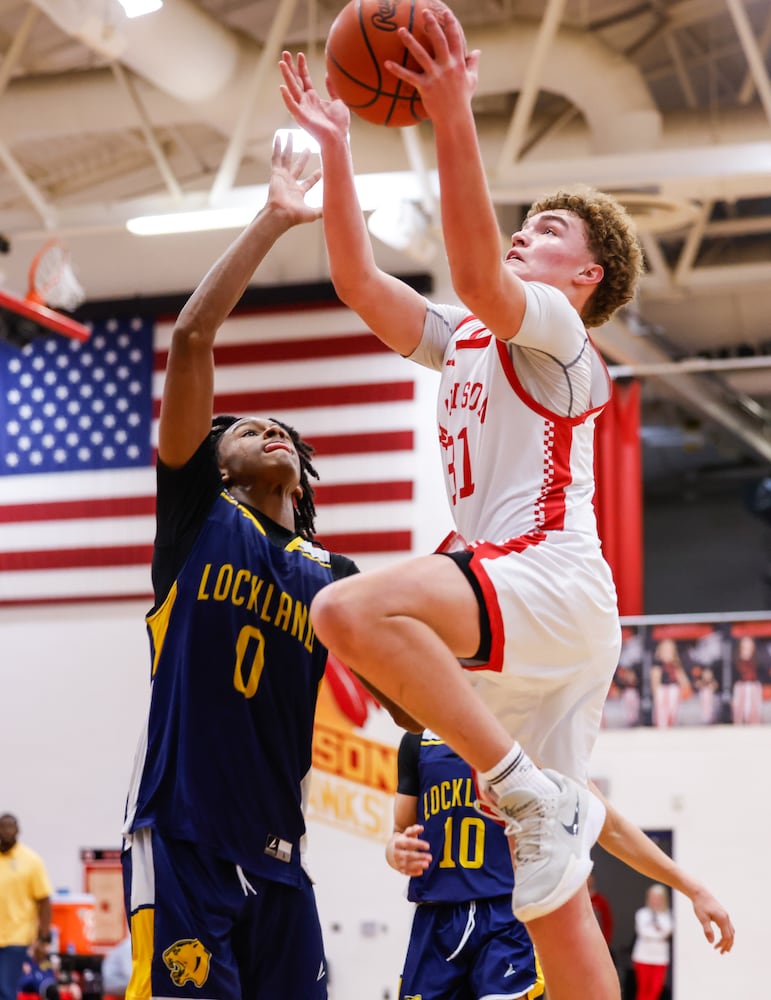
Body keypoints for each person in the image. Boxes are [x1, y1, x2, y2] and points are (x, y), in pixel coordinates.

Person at [279, 13, 645, 997]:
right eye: (528, 220)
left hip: (548, 577)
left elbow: (481, 269)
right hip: (550, 616)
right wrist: (338, 148)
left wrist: (452, 114)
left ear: (585, 276)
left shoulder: (562, 333)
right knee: (552, 895)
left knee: (347, 609)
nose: (528, 231)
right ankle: (537, 803)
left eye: (551, 231)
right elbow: (359, 280)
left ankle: (524, 787)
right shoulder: (467, 339)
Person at [119, 135, 407, 1000]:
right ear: (217, 466)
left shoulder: (335, 572)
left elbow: (406, 699)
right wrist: (276, 218)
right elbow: (193, 336)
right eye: (243, 430)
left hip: (280, 851)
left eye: (279, 427)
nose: (267, 429)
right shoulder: (199, 518)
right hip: (185, 836)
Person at [388, 730, 545, 1000]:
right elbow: (400, 830)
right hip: (437, 915)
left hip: (504, 910)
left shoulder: (517, 730)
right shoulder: (417, 740)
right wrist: (396, 852)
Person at [0, 813, 53, 1000]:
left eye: (9, 827)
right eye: (1, 827)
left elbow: (44, 901)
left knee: (4, 990)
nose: (4, 831)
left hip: (16, 939)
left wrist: (44, 938)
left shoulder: (31, 861)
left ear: (17, 830)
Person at [631, 884, 673, 1000]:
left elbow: (667, 931)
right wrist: (658, 933)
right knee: (643, 989)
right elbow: (643, 932)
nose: (655, 901)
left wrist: (657, 924)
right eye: (653, 897)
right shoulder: (642, 914)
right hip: (642, 957)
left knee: (655, 990)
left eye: (658, 898)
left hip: (660, 958)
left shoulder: (667, 915)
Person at [650, 638, 691, 728]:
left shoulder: (676, 665)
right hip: (662, 690)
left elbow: (684, 681)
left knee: (673, 693)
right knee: (662, 703)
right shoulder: (658, 664)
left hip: (673, 690)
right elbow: (655, 681)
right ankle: (662, 723)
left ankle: (671, 722)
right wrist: (655, 695)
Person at [732, 634, 763, 724]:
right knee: (740, 704)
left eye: (749, 644)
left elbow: (761, 673)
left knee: (752, 695)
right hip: (740, 685)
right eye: (745, 644)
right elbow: (735, 676)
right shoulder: (735, 659)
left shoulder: (758, 658)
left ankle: (754, 722)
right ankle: (739, 722)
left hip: (754, 685)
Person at [588, 873, 614, 951]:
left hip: (596, 942)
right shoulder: (575, 901)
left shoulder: (601, 900)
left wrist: (605, 943)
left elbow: (607, 923)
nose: (587, 880)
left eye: (588, 877)